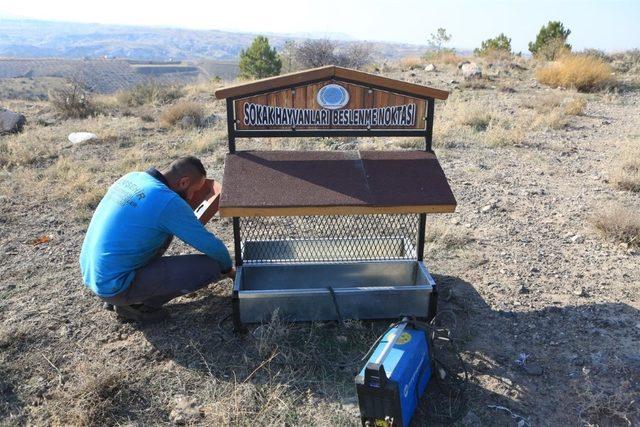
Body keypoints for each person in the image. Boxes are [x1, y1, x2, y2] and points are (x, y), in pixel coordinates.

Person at [80, 156, 234, 322]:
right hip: (115, 285)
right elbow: (210, 245)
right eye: (193, 191)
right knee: (211, 266)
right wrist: (227, 269)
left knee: (161, 233)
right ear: (183, 182)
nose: (191, 197)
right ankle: (137, 306)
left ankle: (123, 296)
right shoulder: (166, 201)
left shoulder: (133, 177)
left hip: (93, 274)